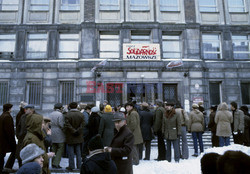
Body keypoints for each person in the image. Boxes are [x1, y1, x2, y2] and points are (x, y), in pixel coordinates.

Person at [64, 102, 85, 171]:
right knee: (78, 152)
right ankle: (79, 165)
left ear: (70, 107)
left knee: (71, 152)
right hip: (78, 136)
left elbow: (67, 125)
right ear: (76, 106)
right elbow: (83, 124)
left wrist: (73, 131)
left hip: (70, 135)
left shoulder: (67, 115)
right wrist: (78, 131)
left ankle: (71, 166)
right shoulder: (81, 114)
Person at [0, 104, 16, 173]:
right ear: (9, 108)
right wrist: (12, 141)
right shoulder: (7, 117)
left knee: (1, 155)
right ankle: (3, 169)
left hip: (2, 140)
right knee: (2, 155)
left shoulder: (2, 115)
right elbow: (9, 131)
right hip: (4, 140)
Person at [49, 103, 65, 168]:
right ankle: (56, 163)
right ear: (61, 108)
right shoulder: (60, 114)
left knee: (53, 148)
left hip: (52, 131)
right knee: (60, 148)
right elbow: (61, 124)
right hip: (59, 132)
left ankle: (53, 162)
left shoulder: (51, 114)